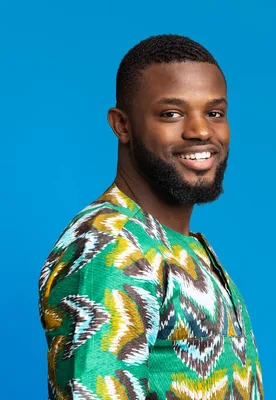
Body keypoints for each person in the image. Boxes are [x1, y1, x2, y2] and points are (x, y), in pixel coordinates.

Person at [38, 34, 263, 400]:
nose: (201, 131)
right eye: (171, 114)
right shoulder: (111, 244)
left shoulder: (189, 247)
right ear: (122, 126)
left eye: (214, 113)